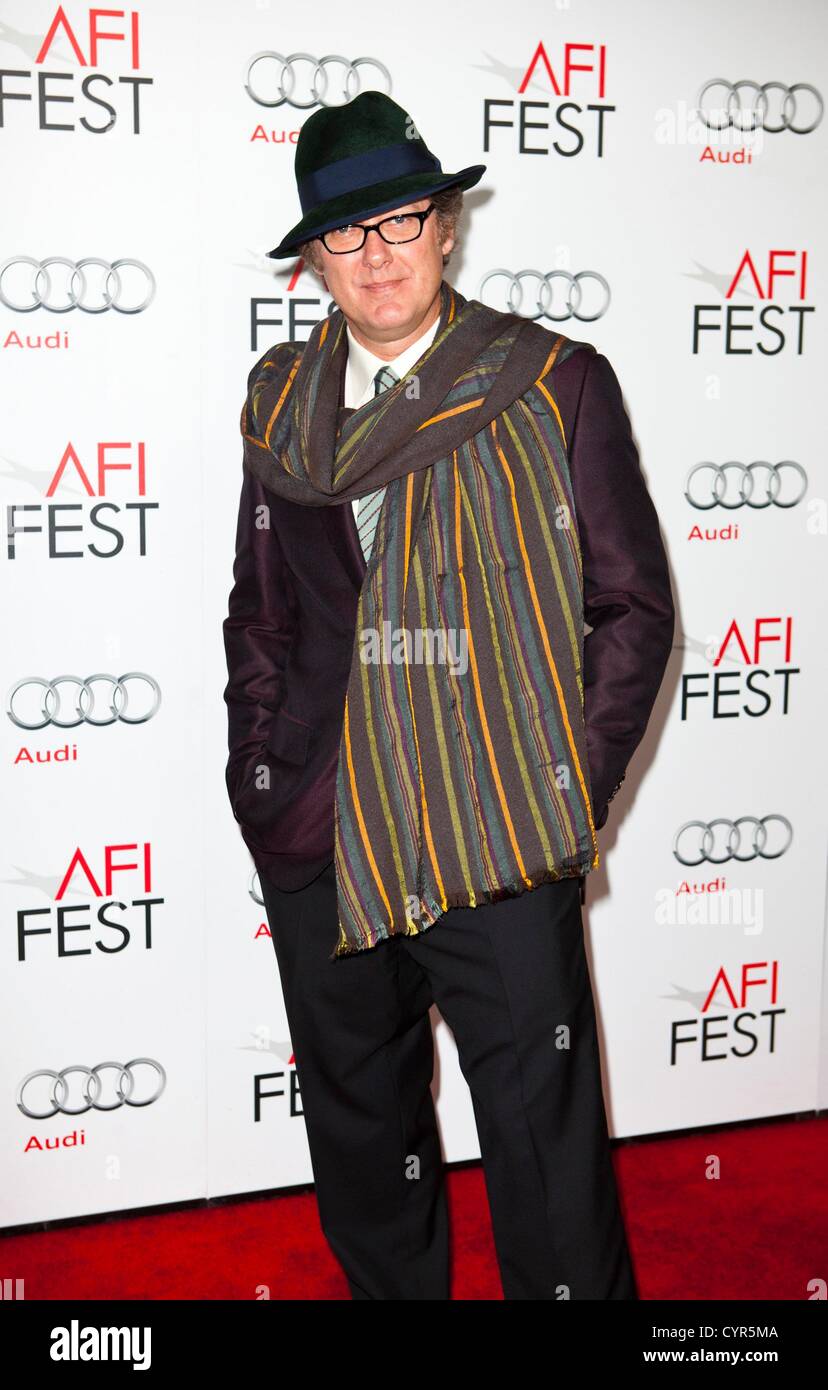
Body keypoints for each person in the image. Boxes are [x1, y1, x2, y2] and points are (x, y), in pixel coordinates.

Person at [223, 91, 674, 1299]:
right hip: (324, 829)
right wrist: (262, 778)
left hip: (499, 838)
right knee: (367, 1144)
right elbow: (261, 609)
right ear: (315, 257)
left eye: (402, 219)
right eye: (346, 234)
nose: (378, 255)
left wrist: (554, 787)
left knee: (546, 1158)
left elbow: (633, 611)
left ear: (447, 227)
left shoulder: (551, 383)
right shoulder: (279, 403)